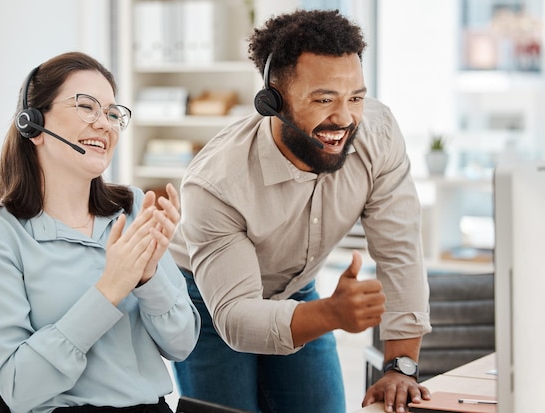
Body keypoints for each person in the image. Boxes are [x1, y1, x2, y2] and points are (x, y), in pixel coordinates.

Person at [169, 9, 432, 413]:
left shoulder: (376, 134)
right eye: (324, 99)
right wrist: (332, 313)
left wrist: (400, 367)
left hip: (297, 287)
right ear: (272, 100)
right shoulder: (216, 183)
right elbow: (237, 317)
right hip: (208, 301)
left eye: (356, 98)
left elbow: (401, 253)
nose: (344, 118)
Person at [0, 51, 200, 413]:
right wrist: (109, 290)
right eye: (86, 107)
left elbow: (182, 345)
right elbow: (18, 387)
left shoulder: (133, 208)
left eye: (112, 113)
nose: (104, 124)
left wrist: (148, 277)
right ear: (33, 124)